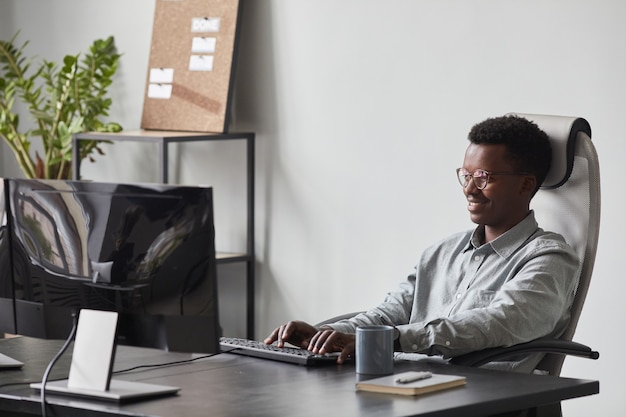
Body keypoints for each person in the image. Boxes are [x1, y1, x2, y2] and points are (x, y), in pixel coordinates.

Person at [264, 115, 581, 373]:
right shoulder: (442, 252)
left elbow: (498, 322)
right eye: (465, 175)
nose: (469, 189)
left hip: (478, 395)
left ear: (525, 184)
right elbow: (390, 313)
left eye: (483, 177)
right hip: (405, 384)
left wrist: (393, 340)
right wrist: (327, 335)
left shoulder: (549, 257)